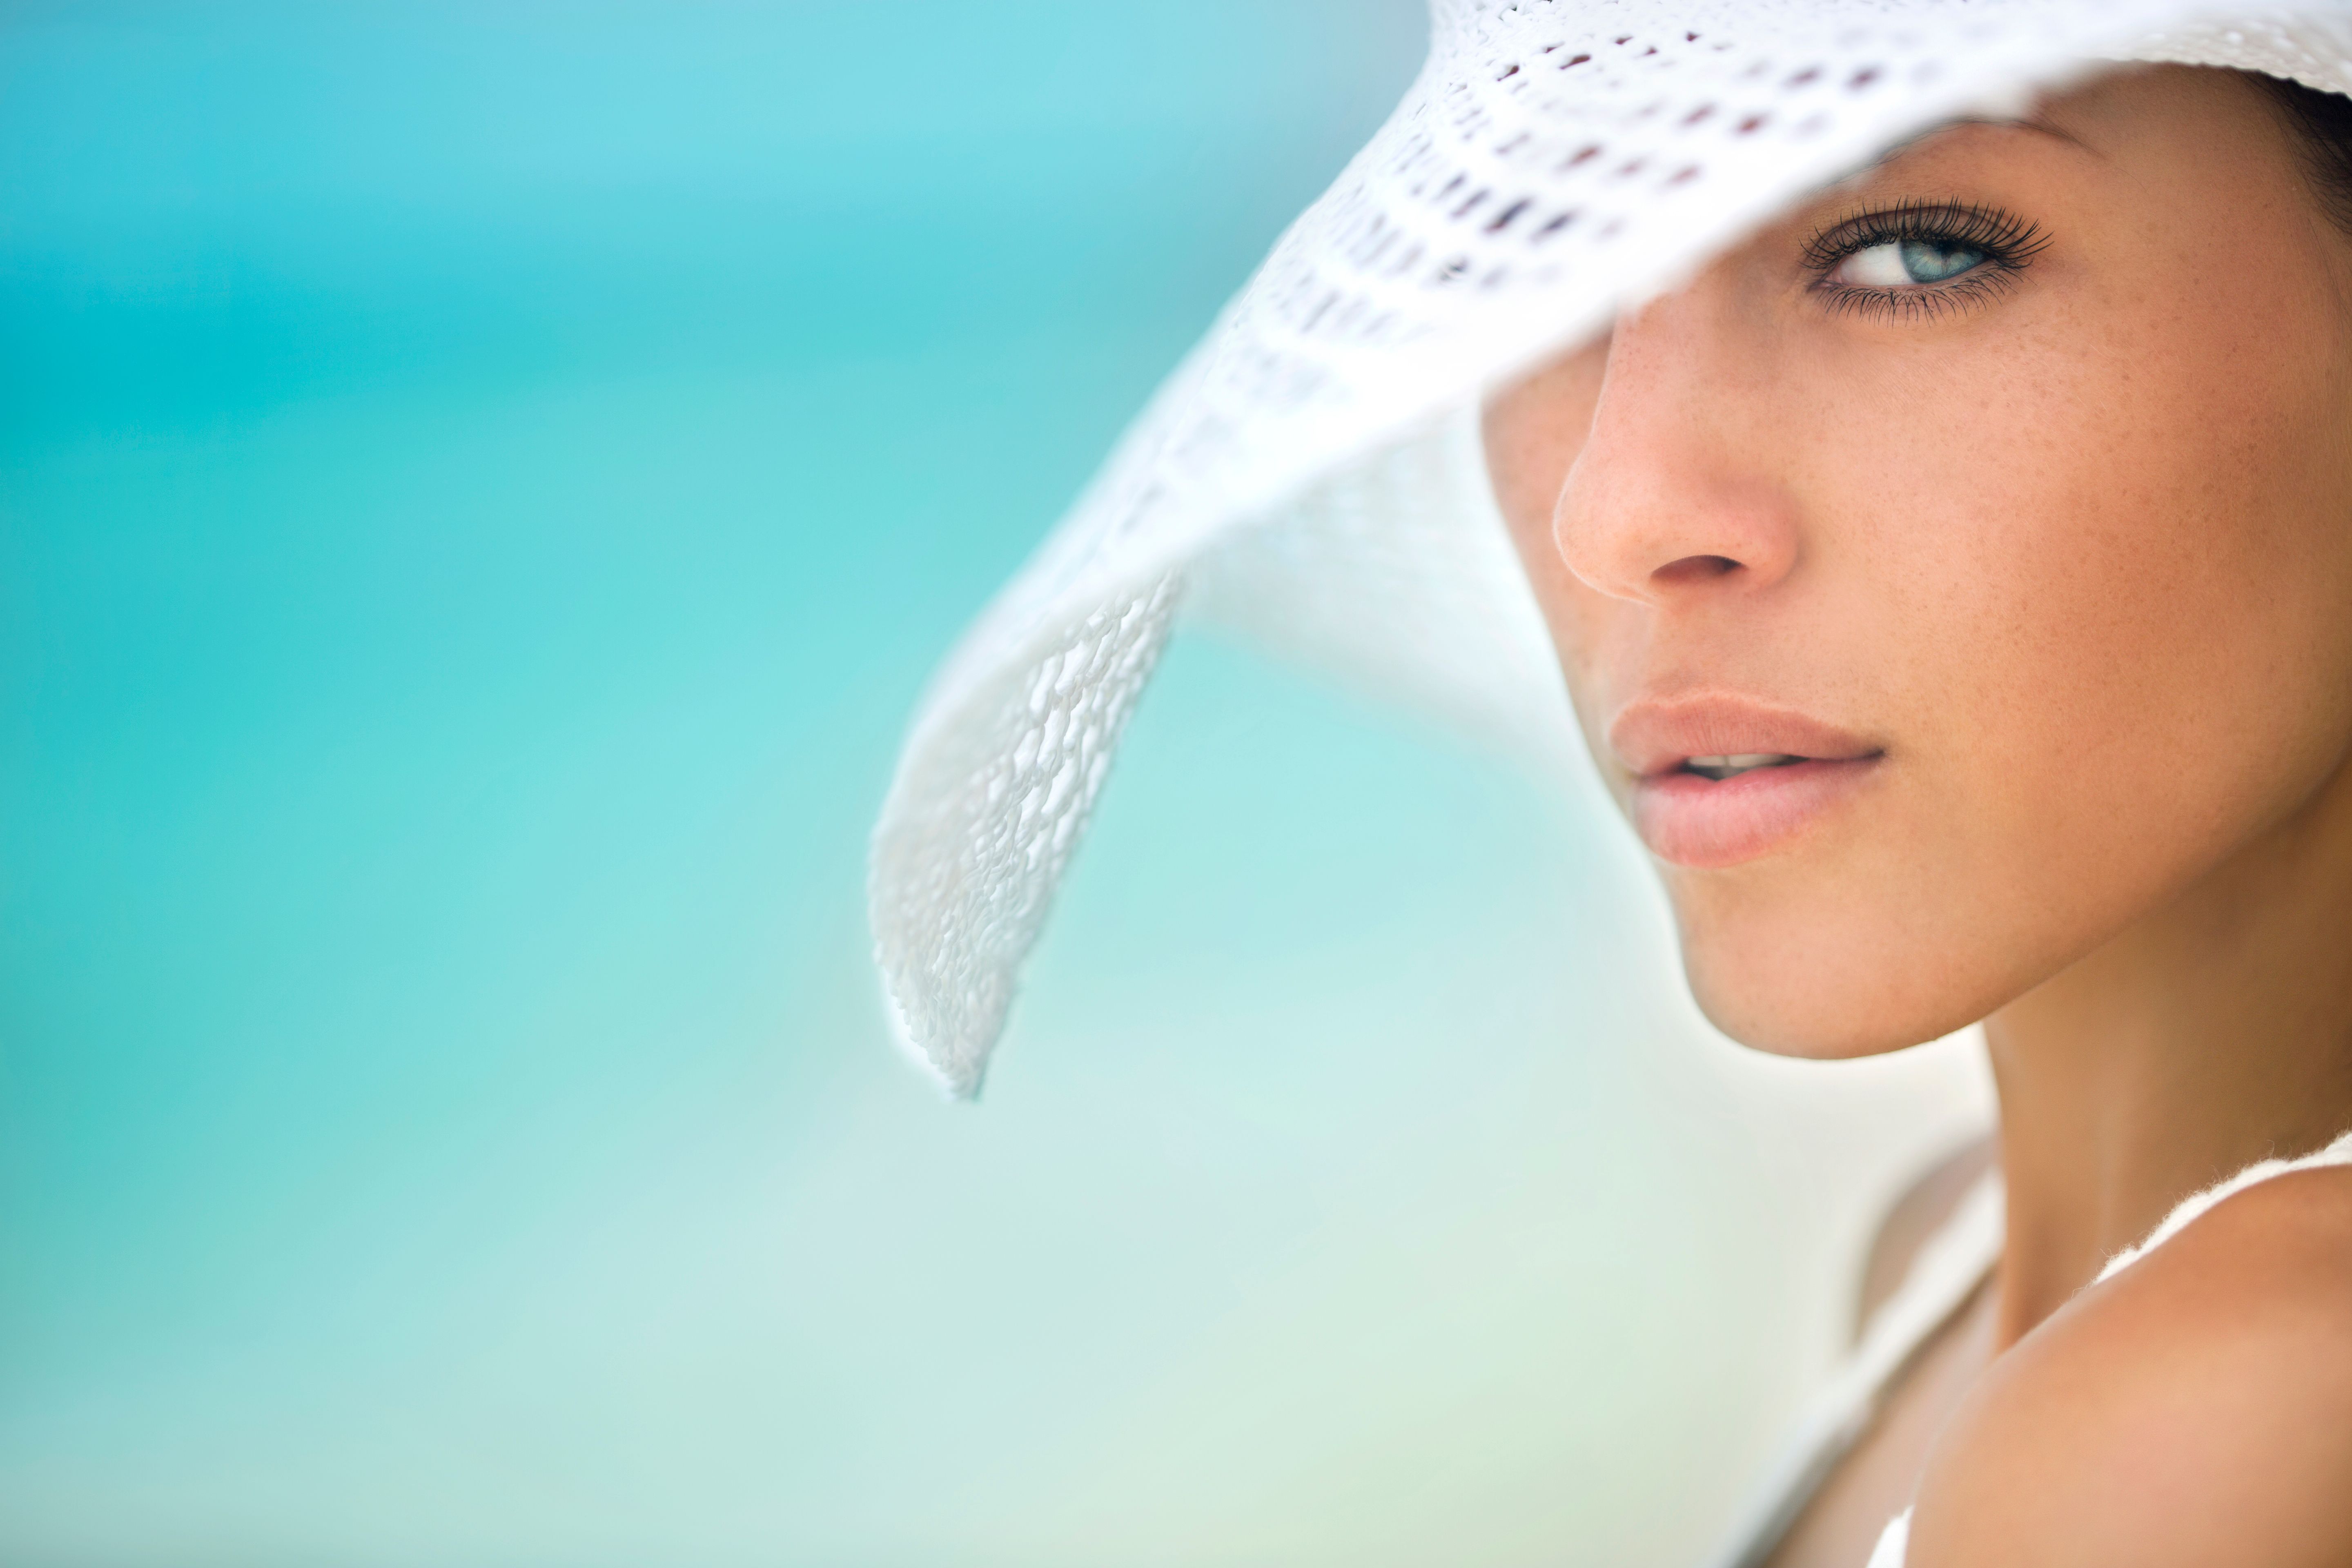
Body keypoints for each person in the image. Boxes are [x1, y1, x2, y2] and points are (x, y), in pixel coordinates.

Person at [871, 6, 2352, 1563]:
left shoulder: (2242, 1410)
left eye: (1912, 252)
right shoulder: (1951, 1264)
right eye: (1554, 266)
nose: (1616, 505)